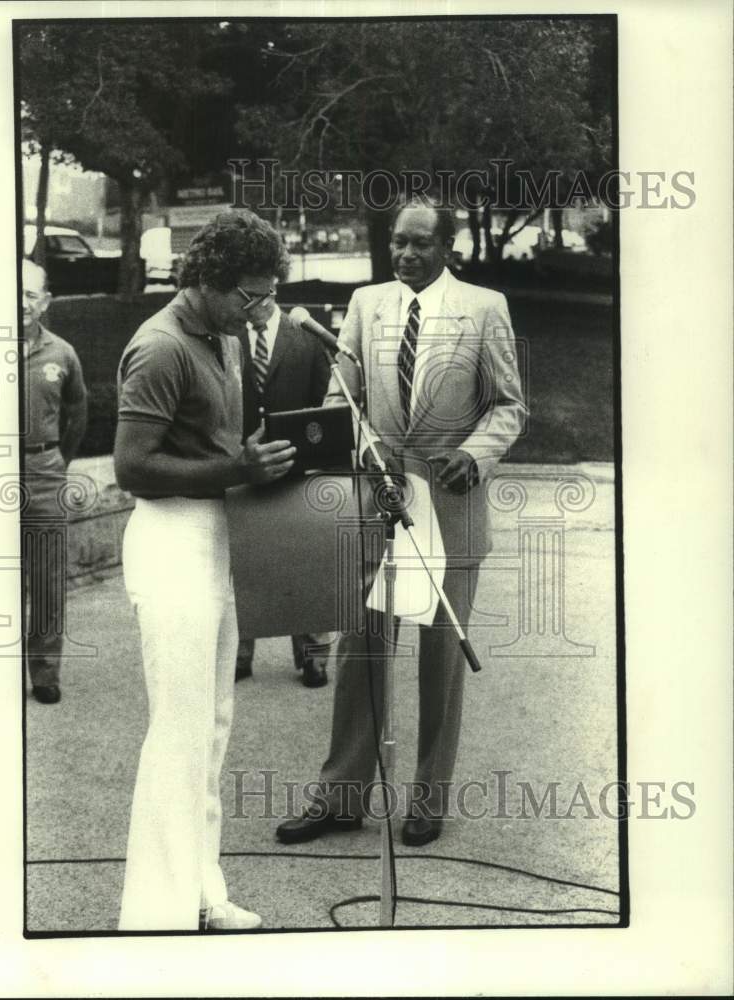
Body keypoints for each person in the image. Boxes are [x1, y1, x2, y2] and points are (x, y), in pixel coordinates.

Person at [276, 198, 526, 848]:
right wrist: (363, 449)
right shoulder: (366, 305)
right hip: (379, 503)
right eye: (398, 242)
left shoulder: (484, 307)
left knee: (441, 657)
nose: (406, 254)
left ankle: (428, 799)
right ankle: (341, 796)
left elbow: (509, 407)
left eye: (420, 243)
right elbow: (341, 398)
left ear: (449, 246)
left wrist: (474, 457)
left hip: (451, 505)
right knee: (364, 652)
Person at [114, 210, 296, 931]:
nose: (262, 310)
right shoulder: (159, 348)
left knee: (212, 726)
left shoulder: (222, 332)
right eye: (250, 296)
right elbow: (132, 467)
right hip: (170, 540)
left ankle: (200, 892)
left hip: (215, 533)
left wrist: (259, 467)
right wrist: (234, 467)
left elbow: (214, 446)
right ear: (208, 282)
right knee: (179, 731)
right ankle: (154, 919)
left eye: (266, 296)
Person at [235, 299, 333, 688]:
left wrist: (316, 456)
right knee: (242, 566)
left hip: (298, 467)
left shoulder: (304, 337)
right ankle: (239, 656)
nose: (249, 304)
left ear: (272, 290)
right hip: (242, 466)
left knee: (305, 568)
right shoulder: (228, 334)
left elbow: (326, 399)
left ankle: (313, 658)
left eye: (256, 295)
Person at [21, 258, 87, 705]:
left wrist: (60, 458)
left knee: (46, 577)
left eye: (30, 294)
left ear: (45, 302)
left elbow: (78, 411)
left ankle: (45, 671)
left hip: (43, 473)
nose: (21, 301)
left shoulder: (62, 353)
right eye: (13, 290)